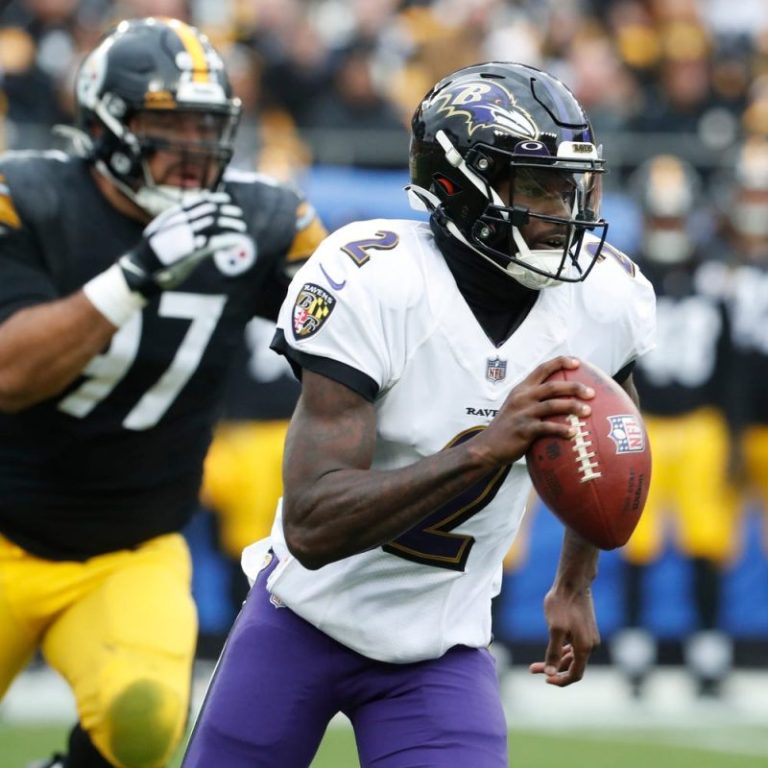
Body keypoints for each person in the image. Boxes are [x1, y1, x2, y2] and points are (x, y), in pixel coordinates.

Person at [182, 61, 656, 768]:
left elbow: (608, 440)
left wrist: (574, 583)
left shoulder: (604, 299)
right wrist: (485, 449)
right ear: (460, 185)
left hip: (439, 648)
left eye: (572, 185)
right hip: (301, 620)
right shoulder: (378, 282)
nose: (564, 209)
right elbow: (312, 524)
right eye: (538, 186)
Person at [0, 17, 326, 768]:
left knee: (144, 724)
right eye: (168, 124)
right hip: (4, 520)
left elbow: (356, 330)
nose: (193, 146)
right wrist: (136, 276)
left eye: (207, 126)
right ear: (105, 124)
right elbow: (10, 376)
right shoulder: (30, 198)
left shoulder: (263, 219)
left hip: (130, 547)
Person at [610, 154, 736, 699]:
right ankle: (634, 649)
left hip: (701, 423)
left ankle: (708, 649)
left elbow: (729, 363)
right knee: (636, 543)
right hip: (643, 421)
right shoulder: (625, 275)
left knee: (706, 541)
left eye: (675, 215)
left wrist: (732, 427)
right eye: (660, 216)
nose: (667, 225)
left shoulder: (714, 272)